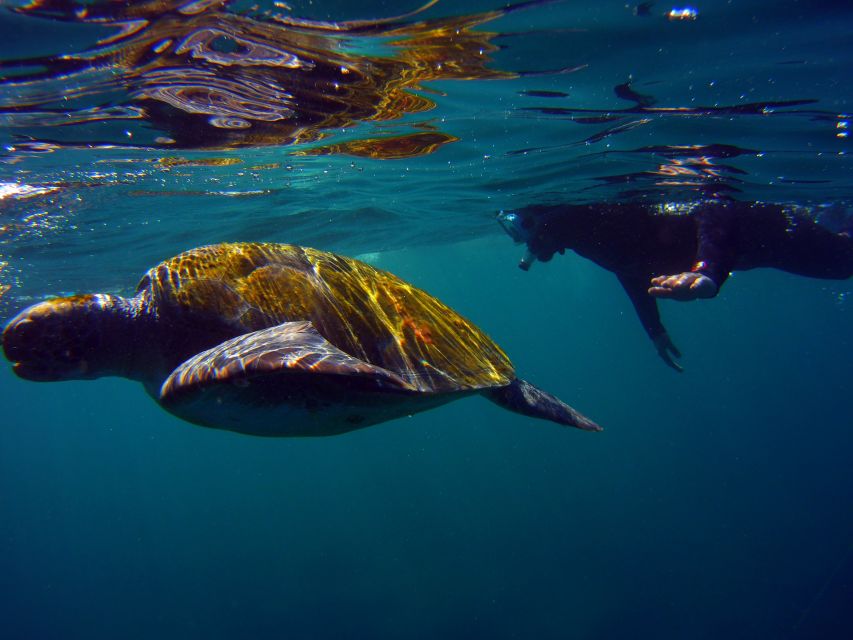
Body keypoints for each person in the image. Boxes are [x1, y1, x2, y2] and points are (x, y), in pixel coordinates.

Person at [498, 201, 853, 371]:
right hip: (744, 254)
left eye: (525, 229)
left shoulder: (605, 216)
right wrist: (654, 329)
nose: (521, 243)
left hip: (763, 233)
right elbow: (630, 268)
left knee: (843, 263)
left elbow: (718, 210)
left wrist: (708, 273)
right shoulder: (585, 237)